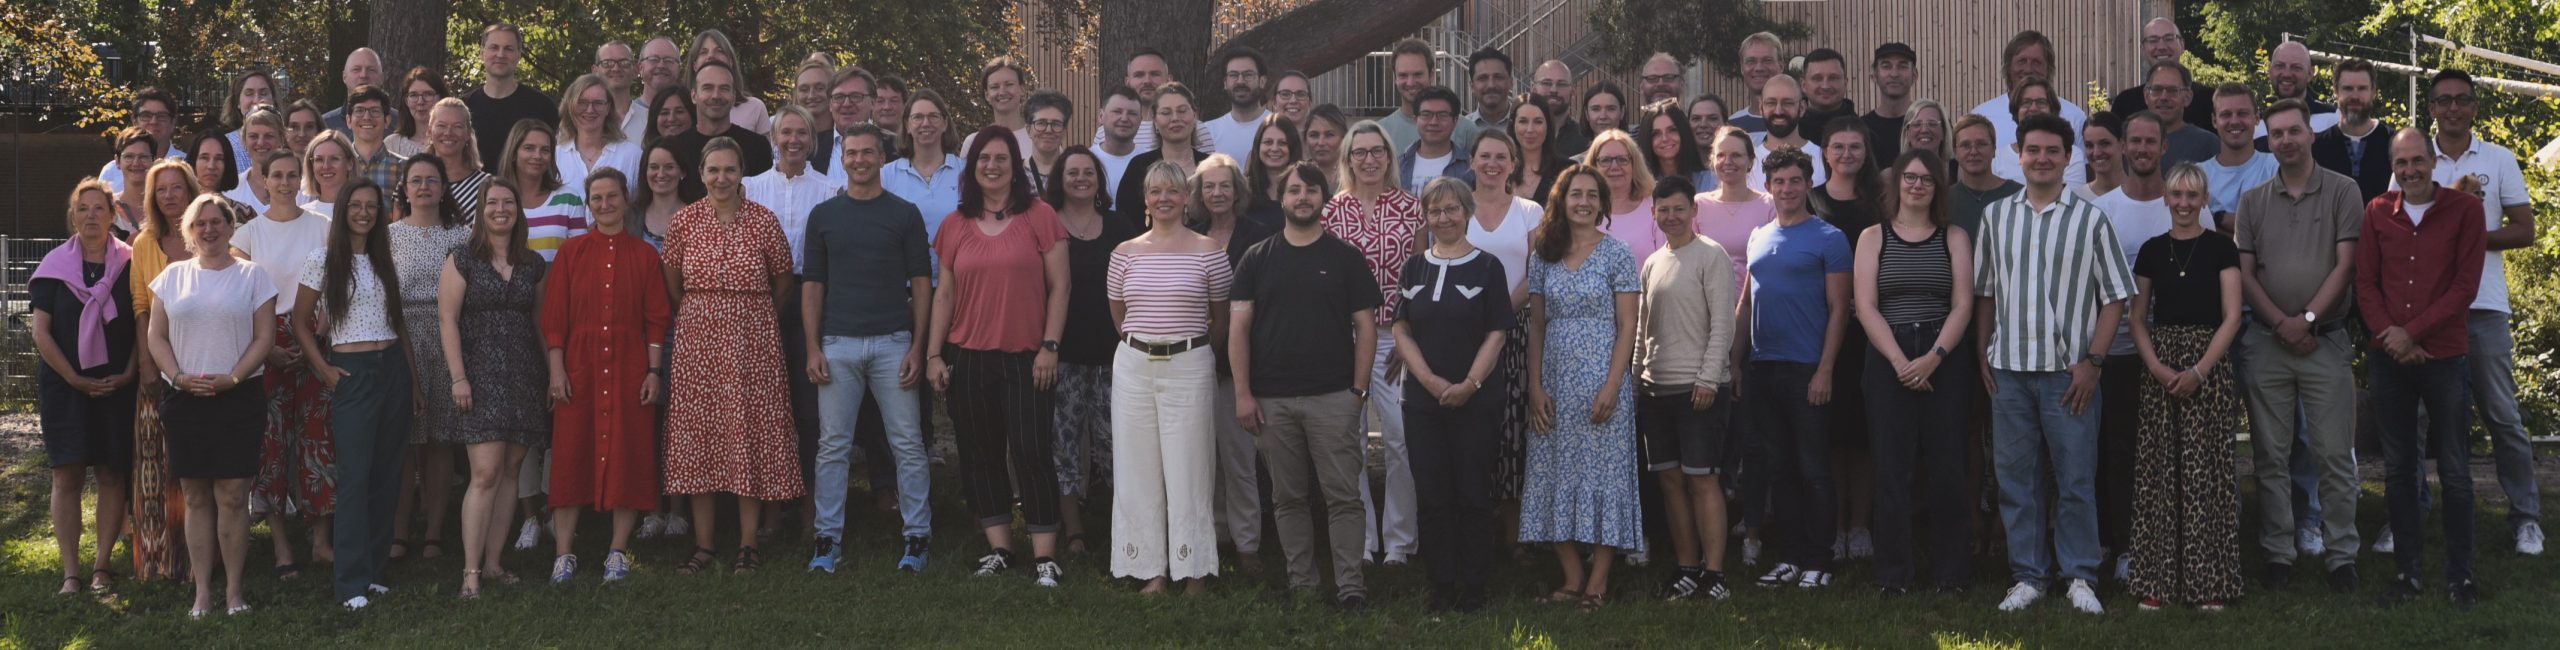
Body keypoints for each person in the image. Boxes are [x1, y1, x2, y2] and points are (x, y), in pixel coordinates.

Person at [1973, 114, 2136, 615]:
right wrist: (1982, 353)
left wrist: (2094, 362)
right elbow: (1986, 292)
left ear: (2068, 158)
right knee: (2016, 481)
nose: (2041, 158)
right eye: (2033, 150)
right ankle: (2028, 575)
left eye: (2052, 151)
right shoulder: (1996, 217)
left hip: (2070, 374)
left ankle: (2080, 575)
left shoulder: (2091, 220)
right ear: (2019, 156)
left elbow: (2115, 297)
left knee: (2075, 480)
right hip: (2009, 370)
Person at [925, 125, 1071, 586]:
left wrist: (1050, 346)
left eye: (1001, 159)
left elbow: (1061, 286)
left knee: (1031, 452)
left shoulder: (1040, 216)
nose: (992, 166)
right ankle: (1001, 549)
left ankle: (1045, 556)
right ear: (972, 168)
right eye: (983, 159)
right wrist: (933, 354)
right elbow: (944, 295)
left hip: (1028, 357)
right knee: (980, 453)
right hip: (968, 357)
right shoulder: (955, 224)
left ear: (1015, 166)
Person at [1230, 161, 1380, 609]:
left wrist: (1358, 393)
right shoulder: (1257, 258)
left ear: (1323, 198)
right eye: (1295, 190)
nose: (1303, 197)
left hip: (1333, 397)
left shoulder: (1345, 258)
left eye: (1311, 190)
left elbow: (1366, 328)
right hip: (1271, 400)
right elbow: (1238, 330)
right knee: (1288, 498)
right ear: (1282, 197)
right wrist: (1243, 394)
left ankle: (1351, 586)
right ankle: (1303, 585)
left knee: (1344, 497)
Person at [2237, 100, 2364, 592]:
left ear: (2311, 134)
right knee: (2271, 456)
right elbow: (2247, 275)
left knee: (2334, 454)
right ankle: (2278, 553)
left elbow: (2346, 266)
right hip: (2267, 343)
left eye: (2294, 131)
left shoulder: (2343, 191)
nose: (2286, 140)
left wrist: (2307, 320)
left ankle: (2342, 554)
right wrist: (2282, 324)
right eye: (2277, 134)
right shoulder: (2253, 201)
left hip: (2324, 342)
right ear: (2267, 140)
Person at [661, 139, 804, 575]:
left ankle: (748, 543)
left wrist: (751, 317)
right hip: (698, 343)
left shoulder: (763, 220)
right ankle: (704, 545)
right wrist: (706, 314)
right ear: (701, 173)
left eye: (729, 170)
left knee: (749, 433)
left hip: (752, 344)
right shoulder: (684, 221)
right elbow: (673, 285)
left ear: (742, 173)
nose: (721, 178)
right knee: (699, 437)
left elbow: (783, 282)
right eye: (713, 170)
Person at [799, 123, 938, 571]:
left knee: (907, 443)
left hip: (893, 343)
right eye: (852, 153)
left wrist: (918, 347)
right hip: (837, 344)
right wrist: (813, 347)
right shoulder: (824, 215)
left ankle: (917, 536)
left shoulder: (904, 214)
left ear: (882, 158)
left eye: (867, 153)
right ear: (843, 159)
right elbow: (813, 286)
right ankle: (827, 538)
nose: (859, 160)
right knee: (833, 446)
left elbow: (921, 284)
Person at [2361, 128, 2488, 609]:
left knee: (2455, 470)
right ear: (2392, 167)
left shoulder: (2466, 210)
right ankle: (2407, 573)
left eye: (2417, 161)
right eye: (2401, 163)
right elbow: (2365, 284)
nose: (2410, 171)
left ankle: (2461, 577)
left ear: (2434, 162)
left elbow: (2464, 287)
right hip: (2390, 358)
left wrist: (2411, 333)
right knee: (2398, 470)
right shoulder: (2377, 211)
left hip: (2444, 356)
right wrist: (2392, 336)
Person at [2422, 69, 2543, 557]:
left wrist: (2468, 237)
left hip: (2484, 306)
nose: (2453, 108)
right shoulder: (2415, 159)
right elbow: (2398, 225)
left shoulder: (2499, 158)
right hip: (2428, 309)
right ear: (2432, 107)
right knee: (2417, 418)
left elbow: (2525, 230)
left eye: (2462, 100)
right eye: (2444, 100)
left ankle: (2527, 518)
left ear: (2474, 106)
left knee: (2502, 415)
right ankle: (2409, 513)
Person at [1102, 161, 1233, 595]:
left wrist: (1193, 349)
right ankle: (1150, 569)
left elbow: (1221, 318)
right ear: (1145, 198)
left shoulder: (1210, 251)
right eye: (1156, 191)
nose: (1164, 199)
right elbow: (1120, 316)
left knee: (1190, 468)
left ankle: (1193, 569)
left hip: (1189, 364)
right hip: (1134, 366)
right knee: (1137, 468)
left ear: (1185, 198)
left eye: (1173, 191)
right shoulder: (1123, 253)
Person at [145, 195, 278, 616]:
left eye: (217, 221)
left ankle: (234, 592)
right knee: (196, 496)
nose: (209, 229)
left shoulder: (254, 276)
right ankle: (202, 592)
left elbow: (265, 338)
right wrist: (177, 377)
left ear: (230, 226)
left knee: (234, 496)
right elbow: (155, 337)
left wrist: (234, 377)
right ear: (189, 230)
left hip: (238, 397)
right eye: (200, 223)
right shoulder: (172, 277)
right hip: (186, 398)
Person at [2123, 162, 2246, 612]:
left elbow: (2232, 317)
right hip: (2162, 366)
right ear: (2166, 198)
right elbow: (2137, 317)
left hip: (2208, 365)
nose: (2184, 203)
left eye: (2193, 195)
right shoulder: (2152, 251)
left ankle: (2209, 582)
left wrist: (2199, 370)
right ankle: (2156, 580)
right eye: (2177, 194)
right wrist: (2157, 367)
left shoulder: (2221, 248)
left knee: (2206, 473)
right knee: (2159, 472)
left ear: (2205, 200)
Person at [538, 169, 672, 583]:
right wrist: (556, 371)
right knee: (570, 454)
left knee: (629, 454)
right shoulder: (571, 253)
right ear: (588, 204)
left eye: (612, 196)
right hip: (580, 368)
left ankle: (617, 550)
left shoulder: (645, 256)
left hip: (631, 367)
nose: (605, 204)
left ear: (625, 200)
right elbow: (555, 318)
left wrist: (653, 371)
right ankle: (564, 553)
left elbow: (656, 320)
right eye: (596, 198)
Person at [1853, 149, 1977, 594]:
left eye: (1927, 179)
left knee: (1948, 467)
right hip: (1889, 355)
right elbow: (1866, 307)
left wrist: (1934, 358)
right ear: (1896, 183)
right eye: (1910, 177)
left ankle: (1951, 573)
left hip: (1945, 355)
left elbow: (1963, 304)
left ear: (1937, 187)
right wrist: (1900, 362)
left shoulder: (1954, 237)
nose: (1917, 185)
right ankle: (1894, 575)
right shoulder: (1873, 237)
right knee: (1891, 469)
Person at [1388, 177, 1514, 610]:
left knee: (1473, 493)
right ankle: (1441, 583)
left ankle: (1474, 585)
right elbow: (1401, 328)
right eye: (1435, 211)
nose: (1443, 218)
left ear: (1467, 212)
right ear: (1426, 217)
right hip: (1423, 402)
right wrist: (1429, 380)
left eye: (1452, 209)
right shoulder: (1414, 268)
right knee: (1432, 493)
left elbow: (1497, 333)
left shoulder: (1488, 267)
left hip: (1477, 400)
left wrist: (1469, 385)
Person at [1521, 164, 1642, 610]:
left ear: (1603, 203)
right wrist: (1534, 386)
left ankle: (1598, 581)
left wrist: (1613, 385)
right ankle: (1572, 576)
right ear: (1561, 200)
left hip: (1601, 383)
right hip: (1554, 383)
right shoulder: (1543, 255)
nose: (1584, 202)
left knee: (1605, 476)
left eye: (1593, 195)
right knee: (1551, 473)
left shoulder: (1618, 253)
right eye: (1576, 194)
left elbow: (1628, 326)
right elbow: (1536, 326)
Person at [291, 179, 411, 608]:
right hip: (352, 372)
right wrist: (323, 369)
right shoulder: (322, 260)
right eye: (356, 205)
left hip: (392, 368)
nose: (364, 213)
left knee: (387, 475)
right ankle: (350, 583)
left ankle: (374, 571)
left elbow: (398, 323)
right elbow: (299, 321)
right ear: (343, 210)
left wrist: (412, 381)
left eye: (372, 206)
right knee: (356, 479)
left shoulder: (384, 259)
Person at [1743, 149, 1851, 590]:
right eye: (1779, 182)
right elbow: (1746, 301)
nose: (1786, 189)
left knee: (1813, 469)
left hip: (1807, 367)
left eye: (1794, 181)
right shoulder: (1758, 235)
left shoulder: (1830, 238)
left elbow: (1840, 308)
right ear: (1768, 186)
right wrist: (1735, 360)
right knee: (1779, 468)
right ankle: (1790, 556)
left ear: (1808, 184)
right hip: (1762, 367)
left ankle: (1819, 559)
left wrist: (1825, 370)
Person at [439, 181, 551, 595]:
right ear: (480, 210)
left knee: (510, 471)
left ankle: (493, 563)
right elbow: (447, 320)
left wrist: (552, 373)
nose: (500, 209)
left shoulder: (533, 264)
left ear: (518, 211)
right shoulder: (463, 259)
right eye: (492, 203)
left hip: (524, 375)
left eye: (508, 202)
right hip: (479, 376)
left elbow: (539, 323)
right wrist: (458, 377)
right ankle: (470, 572)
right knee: (485, 472)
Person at [233, 146, 339, 576]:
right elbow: (240, 297)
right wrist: (268, 347)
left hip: (316, 333)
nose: (284, 182)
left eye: (292, 175)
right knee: (272, 442)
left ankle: (321, 540)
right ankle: (281, 546)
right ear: (263, 180)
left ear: (301, 178)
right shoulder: (247, 235)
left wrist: (320, 331)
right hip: (268, 339)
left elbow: (338, 281)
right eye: (276, 175)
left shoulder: (323, 227)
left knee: (318, 437)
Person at [1634, 177, 1737, 600]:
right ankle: (1687, 567)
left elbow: (1723, 324)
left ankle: (1715, 574)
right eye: (1664, 210)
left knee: (1702, 481)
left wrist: (1709, 378)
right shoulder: (1652, 263)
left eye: (1679, 209)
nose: (1671, 216)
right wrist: (1636, 377)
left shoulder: (1712, 255)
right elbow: (1642, 329)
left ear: (1694, 211)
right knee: (1671, 482)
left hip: (1699, 390)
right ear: (1654, 214)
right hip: (1655, 391)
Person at [1327, 121, 1424, 565]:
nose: (1369, 160)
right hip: (1342, 338)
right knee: (1352, 445)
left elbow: (1421, 278)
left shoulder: (1411, 208)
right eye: (1359, 152)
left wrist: (1409, 339)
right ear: (1348, 160)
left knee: (1401, 439)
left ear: (1389, 156)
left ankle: (1400, 541)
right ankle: (1362, 541)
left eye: (1377, 151)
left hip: (1394, 339)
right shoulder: (1332, 212)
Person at [2089, 111, 2180, 580]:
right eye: (2135, 141)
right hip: (2118, 351)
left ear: (2164, 147)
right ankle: (2120, 545)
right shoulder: (2102, 211)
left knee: (2166, 454)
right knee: (2118, 451)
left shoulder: (2184, 204)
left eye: (2151, 141)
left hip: (2173, 353)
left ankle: (2167, 540)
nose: (2142, 149)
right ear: (2123, 147)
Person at [36, 180, 137, 596]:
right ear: (72, 216)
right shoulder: (53, 266)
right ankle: (71, 572)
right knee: (68, 473)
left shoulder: (131, 263)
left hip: (117, 384)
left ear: (113, 216)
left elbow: (145, 323)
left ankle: (102, 566)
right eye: (83, 208)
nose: (91, 215)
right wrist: (73, 378)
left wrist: (129, 372)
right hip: (66, 385)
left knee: (112, 471)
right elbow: (41, 333)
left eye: (99, 208)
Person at [1182, 155, 1278, 572]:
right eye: (1209, 186)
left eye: (1225, 185)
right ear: (1199, 194)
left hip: (1238, 364)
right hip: (1191, 361)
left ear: (1238, 191)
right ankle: (1216, 535)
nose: (1217, 193)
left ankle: (1247, 543)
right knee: (1203, 458)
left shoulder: (1259, 237)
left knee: (1238, 458)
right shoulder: (1189, 236)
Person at [746, 109, 834, 529]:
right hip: (758, 299)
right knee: (764, 405)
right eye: (786, 132)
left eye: (802, 133)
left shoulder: (830, 190)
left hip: (811, 297)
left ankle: (810, 502)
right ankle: (768, 503)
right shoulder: (750, 188)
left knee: (809, 407)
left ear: (812, 139)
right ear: (774, 138)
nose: (793, 140)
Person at [1047, 145, 1134, 560]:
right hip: (1062, 355)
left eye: (1088, 172)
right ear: (1059, 179)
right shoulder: (1045, 223)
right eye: (1072, 172)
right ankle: (1074, 530)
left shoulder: (1120, 226)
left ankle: (1126, 528)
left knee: (1117, 445)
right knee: (1063, 445)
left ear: (1099, 180)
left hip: (1113, 356)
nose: (1081, 179)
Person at [1465, 130, 1544, 560]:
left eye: (1501, 157)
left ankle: (1516, 535)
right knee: (1471, 429)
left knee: (1514, 429)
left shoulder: (1530, 212)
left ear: (1513, 164)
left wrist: (1498, 316)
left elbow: (1536, 274)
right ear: (1472, 161)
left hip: (1515, 332)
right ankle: (1475, 529)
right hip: (1463, 335)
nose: (1492, 163)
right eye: (1485, 156)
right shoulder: (1457, 207)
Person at [385, 155, 467, 561]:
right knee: (402, 442)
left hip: (447, 338)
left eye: (431, 180)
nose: (423, 187)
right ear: (404, 188)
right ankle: (399, 532)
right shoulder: (388, 236)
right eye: (415, 180)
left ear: (443, 187)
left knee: (439, 440)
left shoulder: (461, 236)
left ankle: (434, 530)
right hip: (401, 339)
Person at [127, 161, 202, 584]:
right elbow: (141, 306)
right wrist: (146, 364)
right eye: (161, 190)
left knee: (195, 464)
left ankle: (196, 560)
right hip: (158, 366)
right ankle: (158, 560)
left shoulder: (207, 234)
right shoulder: (145, 243)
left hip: (204, 364)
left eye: (177, 188)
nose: (170, 196)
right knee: (155, 466)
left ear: (190, 191)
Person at [664, 60, 776, 202]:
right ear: (693, 95)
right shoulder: (674, 149)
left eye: (724, 88)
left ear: (734, 96)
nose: (716, 96)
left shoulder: (757, 146)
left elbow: (766, 199)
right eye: (708, 88)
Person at [1113, 83, 1212, 226]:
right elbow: (1125, 220)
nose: (1175, 118)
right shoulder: (1140, 167)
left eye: (1182, 111)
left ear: (1195, 115)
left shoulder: (1211, 166)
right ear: (1154, 120)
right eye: (1166, 113)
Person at [1969, 30, 2090, 147]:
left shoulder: (2074, 117)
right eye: (2021, 61)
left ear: (2048, 68)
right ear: (2008, 67)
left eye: (2036, 62)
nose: (2028, 69)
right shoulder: (1983, 116)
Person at [463, 25, 559, 171]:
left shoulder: (542, 107)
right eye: (494, 47)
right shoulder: (464, 107)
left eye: (508, 49)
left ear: (519, 55)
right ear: (482, 53)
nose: (500, 54)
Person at [501, 119, 591, 261]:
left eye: (545, 150)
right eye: (529, 148)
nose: (537, 156)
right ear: (513, 153)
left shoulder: (569, 199)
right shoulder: (493, 199)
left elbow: (581, 258)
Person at [883, 89, 963, 245]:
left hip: (957, 261)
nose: (926, 123)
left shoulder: (966, 172)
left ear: (945, 124)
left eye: (933, 116)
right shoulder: (886, 175)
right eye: (918, 117)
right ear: (907, 125)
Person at [2109, 19, 2215, 130]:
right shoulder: (2125, 103)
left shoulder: (2208, 100)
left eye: (2169, 39)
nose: (2161, 47)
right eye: (2153, 40)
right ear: (2142, 49)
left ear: (2182, 45)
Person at [2312, 59, 2392, 202]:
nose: (2355, 96)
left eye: (2362, 88)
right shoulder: (2318, 148)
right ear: (2336, 91)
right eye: (2348, 88)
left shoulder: (2393, 143)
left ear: (2373, 92)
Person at [1378, 39, 1475, 154]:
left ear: (1432, 75)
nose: (1410, 82)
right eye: (1403, 75)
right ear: (1395, 78)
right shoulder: (1381, 132)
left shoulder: (1465, 130)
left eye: (1417, 74)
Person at [557, 74, 644, 201]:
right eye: (582, 102)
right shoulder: (555, 156)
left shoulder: (632, 156)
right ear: (570, 106)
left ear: (608, 108)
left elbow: (642, 205)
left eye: (598, 103)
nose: (590, 110)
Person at [2201, 84, 2277, 229]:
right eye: (2226, 114)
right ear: (2214, 121)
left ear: (2257, 118)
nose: (2234, 121)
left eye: (2242, 113)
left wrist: (2218, 218)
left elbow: (2280, 225)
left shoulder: (2276, 168)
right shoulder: (2198, 176)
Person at [1987, 78, 2086, 188]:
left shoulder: (2072, 155)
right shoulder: (1999, 158)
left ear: (2052, 109)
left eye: (2041, 102)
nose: (2033, 108)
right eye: (2026, 102)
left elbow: (2071, 196)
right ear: (2016, 110)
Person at [1584, 130, 1663, 260]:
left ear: (1634, 164)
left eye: (1622, 160)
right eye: (1606, 160)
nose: (1614, 166)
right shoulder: (1582, 210)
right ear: (1594, 166)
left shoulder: (1655, 207)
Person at [1948, 115, 2023, 236]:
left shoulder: (2019, 196)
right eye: (1965, 145)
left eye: (1981, 144)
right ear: (1955, 153)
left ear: (1994, 149)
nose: (1973, 152)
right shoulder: (1944, 200)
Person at [686, 29, 770, 134]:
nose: (711, 56)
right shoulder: (682, 110)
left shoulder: (754, 107)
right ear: (694, 65)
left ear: (731, 62)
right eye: (703, 52)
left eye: (719, 50)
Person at [96, 89, 182, 190]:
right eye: (146, 116)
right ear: (134, 121)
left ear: (173, 122)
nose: (153, 122)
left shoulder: (188, 166)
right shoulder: (111, 172)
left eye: (161, 116)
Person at [2140, 62, 2220, 170]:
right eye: (2157, 90)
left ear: (2187, 98)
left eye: (2172, 91)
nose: (2164, 97)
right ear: (2146, 96)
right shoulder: (2130, 143)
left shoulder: (2208, 145)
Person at [1400, 86, 1475, 196]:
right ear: (1416, 119)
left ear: (1455, 121)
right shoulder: (1398, 166)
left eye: (1442, 115)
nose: (1434, 122)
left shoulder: (1470, 167)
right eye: (1426, 115)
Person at [426, 98, 494, 219]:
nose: (448, 133)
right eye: (441, 125)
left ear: (468, 133)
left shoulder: (486, 185)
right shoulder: (412, 179)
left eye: (457, 126)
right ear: (430, 131)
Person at [1755, 76, 1829, 186]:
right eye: (1771, 103)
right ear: (1761, 108)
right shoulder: (1748, 162)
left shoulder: (1824, 158)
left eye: (1787, 103)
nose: (1778, 111)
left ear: (1802, 108)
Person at [2257, 42, 2341, 138]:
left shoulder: (2334, 119)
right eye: (2279, 66)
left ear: (2310, 73)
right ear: (2270, 70)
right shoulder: (2257, 125)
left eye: (2296, 67)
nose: (2286, 74)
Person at [958, 57, 1036, 159]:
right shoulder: (973, 142)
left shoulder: (1039, 138)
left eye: (1009, 84)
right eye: (995, 87)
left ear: (1022, 89)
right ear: (987, 95)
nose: (1002, 92)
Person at [1204, 47, 1271, 163]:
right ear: (1225, 83)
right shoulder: (1208, 132)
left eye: (1248, 75)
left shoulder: (1278, 127)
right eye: (1233, 75)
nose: (1240, 81)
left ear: (1262, 81)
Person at [815, 66, 878, 182]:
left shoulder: (895, 147)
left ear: (873, 103)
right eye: (839, 97)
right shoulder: (812, 147)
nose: (846, 104)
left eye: (856, 96)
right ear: (830, 105)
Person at [1864, 43, 1919, 166]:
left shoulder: (1929, 126)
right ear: (1874, 75)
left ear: (1914, 75)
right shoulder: (1862, 128)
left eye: (1902, 66)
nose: (1894, 74)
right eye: (1886, 66)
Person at [228, 109, 294, 213]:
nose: (261, 142)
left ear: (281, 140)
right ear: (244, 141)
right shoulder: (231, 191)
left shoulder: (299, 189)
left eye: (269, 136)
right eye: (253, 136)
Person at [1638, 100, 1709, 193]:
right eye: (1656, 134)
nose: (1665, 138)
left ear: (1684, 132)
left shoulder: (1710, 181)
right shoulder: (1639, 186)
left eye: (1672, 130)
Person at [344, 86, 406, 190]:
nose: (367, 117)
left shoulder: (404, 167)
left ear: (387, 120)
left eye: (375, 111)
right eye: (359, 111)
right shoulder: (338, 165)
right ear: (348, 120)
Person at [1511, 95, 1567, 202]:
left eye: (1538, 122)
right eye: (1523, 121)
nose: (1530, 129)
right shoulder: (1500, 169)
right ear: (1513, 125)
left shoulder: (1566, 170)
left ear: (1548, 126)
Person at [220, 71, 278, 172]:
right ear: (238, 102)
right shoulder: (225, 145)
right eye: (249, 94)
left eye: (263, 93)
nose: (256, 100)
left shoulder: (289, 141)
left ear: (273, 100)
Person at [323, 48, 391, 135]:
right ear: (344, 77)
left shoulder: (400, 125)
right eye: (356, 69)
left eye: (371, 70)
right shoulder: (324, 125)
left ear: (382, 78)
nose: (363, 75)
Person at [1532, 60, 1592, 156]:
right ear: (1534, 90)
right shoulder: (1519, 136)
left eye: (1561, 84)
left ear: (1572, 92)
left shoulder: (1586, 141)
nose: (1554, 90)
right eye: (1547, 83)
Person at [1729, 32, 1786, 133]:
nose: (1759, 68)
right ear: (1742, 68)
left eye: (1767, 60)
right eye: (1751, 61)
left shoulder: (1800, 123)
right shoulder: (1732, 127)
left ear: (1781, 66)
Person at [1092, 86, 1148, 190]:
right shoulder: (1088, 160)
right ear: (1101, 116)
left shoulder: (1150, 162)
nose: (1124, 118)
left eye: (1132, 113)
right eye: (1117, 112)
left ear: (1141, 119)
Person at [110, 129, 164, 235]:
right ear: (117, 161)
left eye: (143, 157)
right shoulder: (107, 209)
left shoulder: (164, 207)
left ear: (154, 160)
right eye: (129, 156)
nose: (136, 163)